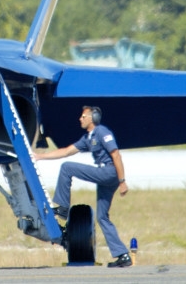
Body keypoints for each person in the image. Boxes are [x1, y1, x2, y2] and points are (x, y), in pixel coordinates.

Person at [34, 105, 132, 268]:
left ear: (92, 118)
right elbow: (65, 151)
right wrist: (40, 157)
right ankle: (123, 255)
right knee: (102, 217)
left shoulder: (102, 132)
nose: (80, 118)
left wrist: (122, 181)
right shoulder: (88, 138)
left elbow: (116, 154)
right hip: (105, 177)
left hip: (108, 173)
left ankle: (64, 208)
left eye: (83, 116)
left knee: (67, 168)